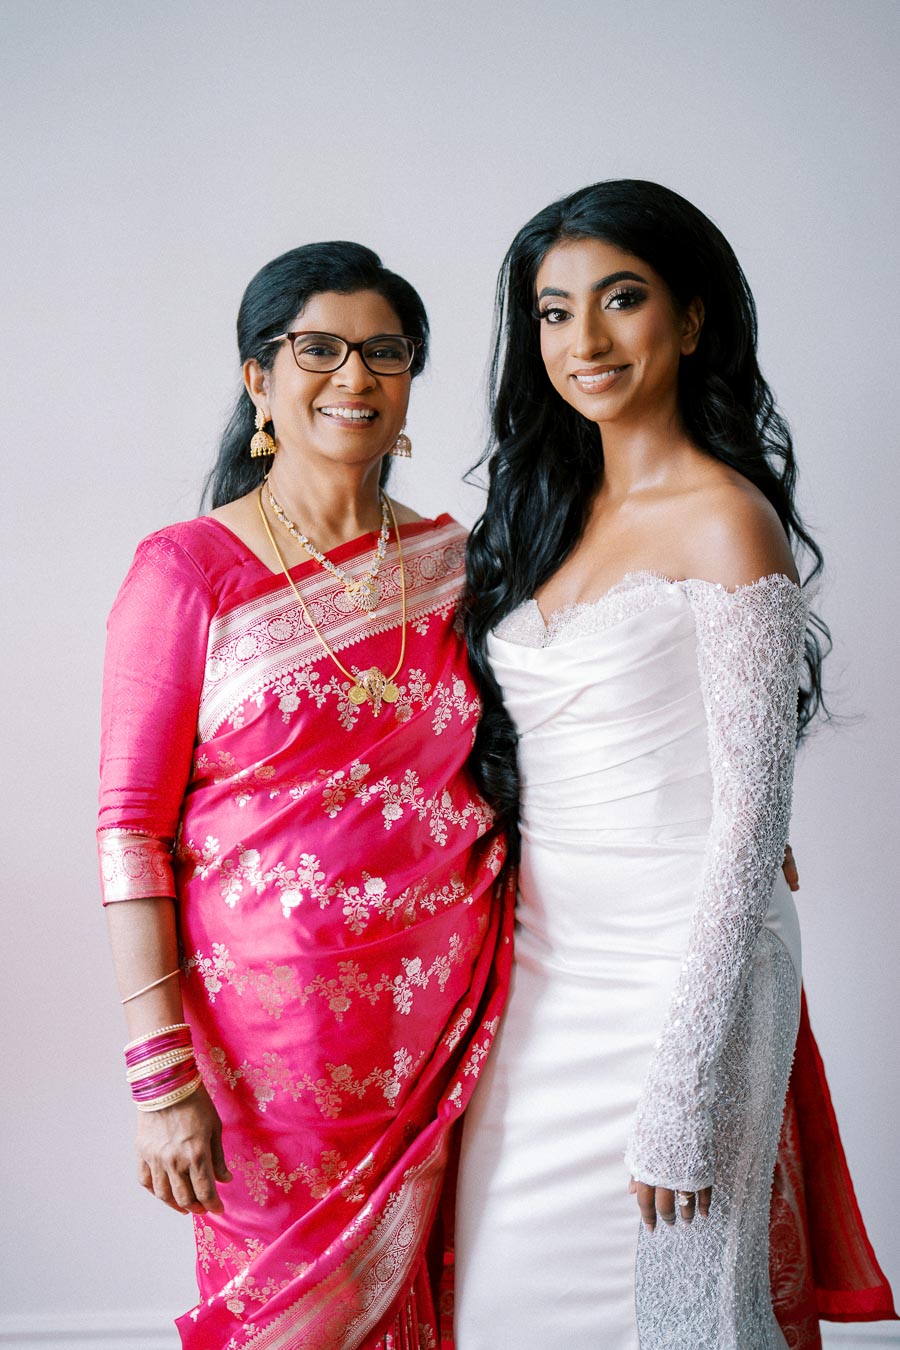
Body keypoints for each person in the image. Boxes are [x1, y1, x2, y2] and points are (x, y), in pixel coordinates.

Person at [454, 180, 894, 1347]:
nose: (584, 340)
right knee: (498, 1296)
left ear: (692, 320)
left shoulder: (725, 517)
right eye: (552, 312)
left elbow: (753, 819)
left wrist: (690, 1084)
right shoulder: (540, 509)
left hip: (684, 969)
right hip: (540, 971)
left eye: (621, 299)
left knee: (682, 1313)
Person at [97, 242, 513, 1349]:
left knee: (445, 1299)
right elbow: (130, 835)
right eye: (318, 348)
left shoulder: (454, 565)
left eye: (385, 352)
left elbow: (545, 746)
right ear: (258, 378)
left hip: (448, 1020)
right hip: (265, 1056)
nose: (356, 377)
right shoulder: (187, 571)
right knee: (296, 1323)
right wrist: (158, 1081)